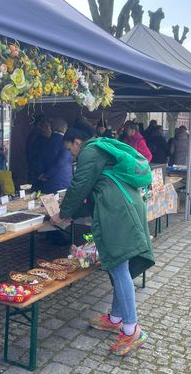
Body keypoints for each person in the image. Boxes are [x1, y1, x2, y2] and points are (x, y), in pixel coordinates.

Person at [52, 128, 154, 356]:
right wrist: (73, 214)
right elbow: (92, 193)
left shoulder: (90, 152)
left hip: (118, 212)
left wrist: (63, 212)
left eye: (70, 149)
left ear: (77, 141)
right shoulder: (101, 149)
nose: (72, 155)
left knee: (118, 267)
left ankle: (132, 330)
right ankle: (116, 319)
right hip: (124, 206)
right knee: (120, 266)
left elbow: (79, 186)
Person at [40, 118, 73, 194]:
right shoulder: (65, 143)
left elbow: (39, 160)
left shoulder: (45, 142)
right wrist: (47, 175)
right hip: (63, 181)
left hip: (47, 182)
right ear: (64, 129)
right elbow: (61, 162)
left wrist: (42, 174)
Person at [25, 115, 51, 191]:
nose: (49, 127)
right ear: (41, 125)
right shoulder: (41, 138)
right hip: (38, 172)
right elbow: (41, 156)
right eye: (47, 125)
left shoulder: (32, 135)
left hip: (32, 170)